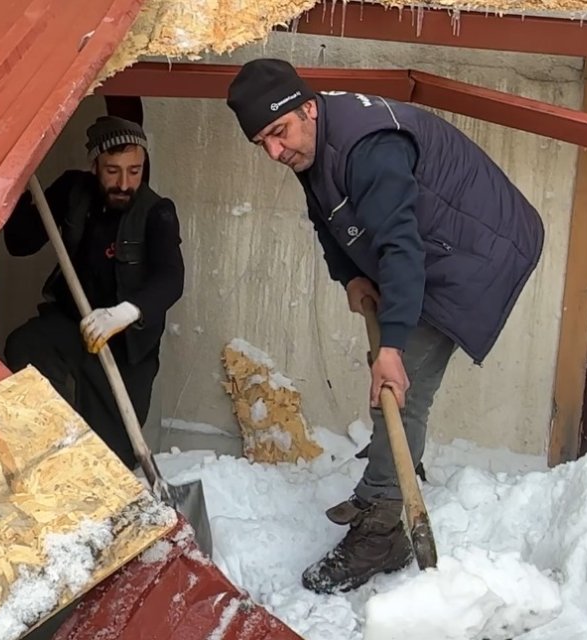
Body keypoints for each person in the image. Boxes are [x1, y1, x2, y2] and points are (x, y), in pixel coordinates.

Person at [225, 59, 545, 593]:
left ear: (306, 107)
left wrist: (391, 344)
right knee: (392, 385)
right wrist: (350, 275)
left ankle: (382, 531)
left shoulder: (367, 148)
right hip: (430, 245)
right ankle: (391, 474)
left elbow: (401, 248)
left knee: (399, 389)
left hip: (476, 250)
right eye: (263, 143)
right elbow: (325, 216)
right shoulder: (314, 140)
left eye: (278, 134)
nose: (275, 153)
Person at [2, 116, 184, 470]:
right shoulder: (73, 191)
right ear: (94, 165)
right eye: (112, 171)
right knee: (24, 345)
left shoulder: (157, 212)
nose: (124, 183)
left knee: (114, 453)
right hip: (74, 323)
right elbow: (19, 243)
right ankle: (51, 441)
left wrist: (125, 313)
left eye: (134, 171)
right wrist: (17, 182)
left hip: (126, 342)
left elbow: (171, 278)